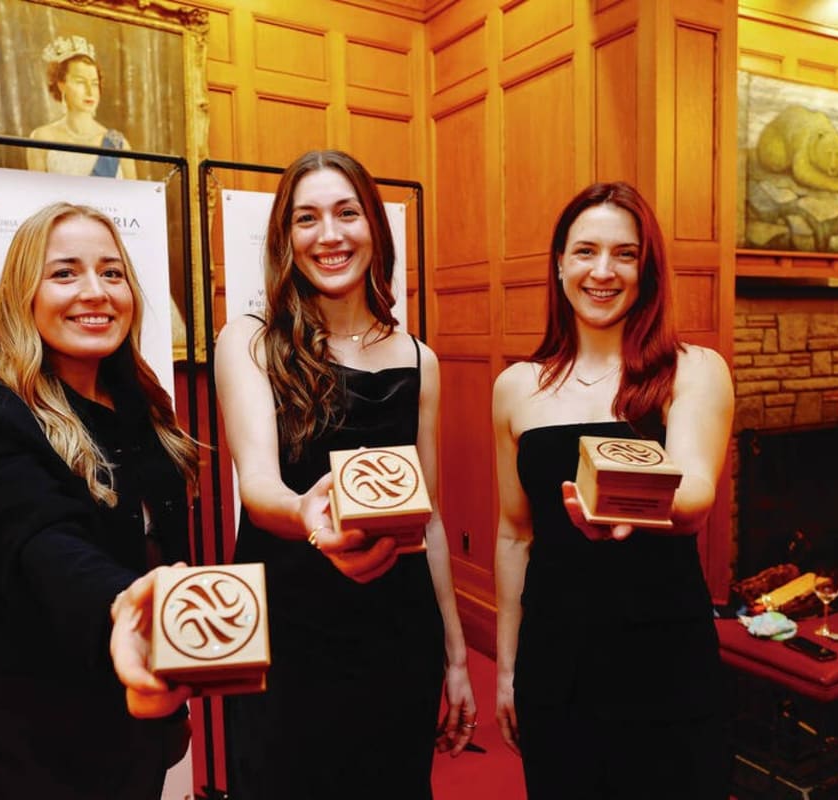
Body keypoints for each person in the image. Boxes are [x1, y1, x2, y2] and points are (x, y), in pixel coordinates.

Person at [214, 149, 477, 799]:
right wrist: (308, 513)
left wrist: (456, 657)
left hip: (397, 631)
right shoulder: (250, 340)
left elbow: (430, 520)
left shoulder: (419, 360)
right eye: (307, 218)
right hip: (291, 627)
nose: (329, 235)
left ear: (375, 229)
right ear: (286, 238)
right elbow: (259, 485)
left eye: (347, 213)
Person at [0, 202, 196, 798]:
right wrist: (123, 609)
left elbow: (161, 555)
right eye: (65, 273)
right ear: (24, 295)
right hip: (28, 745)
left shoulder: (145, 412)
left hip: (131, 726)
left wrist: (172, 694)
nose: (95, 291)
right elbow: (44, 544)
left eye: (112, 272)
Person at [492, 182, 734, 799]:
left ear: (646, 269)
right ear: (559, 264)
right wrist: (508, 667)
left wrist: (625, 503)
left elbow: (695, 494)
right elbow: (514, 534)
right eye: (586, 251)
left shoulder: (692, 369)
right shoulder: (517, 387)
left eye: (625, 254)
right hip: (556, 658)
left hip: (663, 656)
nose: (603, 271)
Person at [27, 35, 137, 179]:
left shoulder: (118, 144)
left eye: (94, 84)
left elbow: (132, 193)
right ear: (61, 85)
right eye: (80, 82)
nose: (90, 91)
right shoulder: (42, 138)